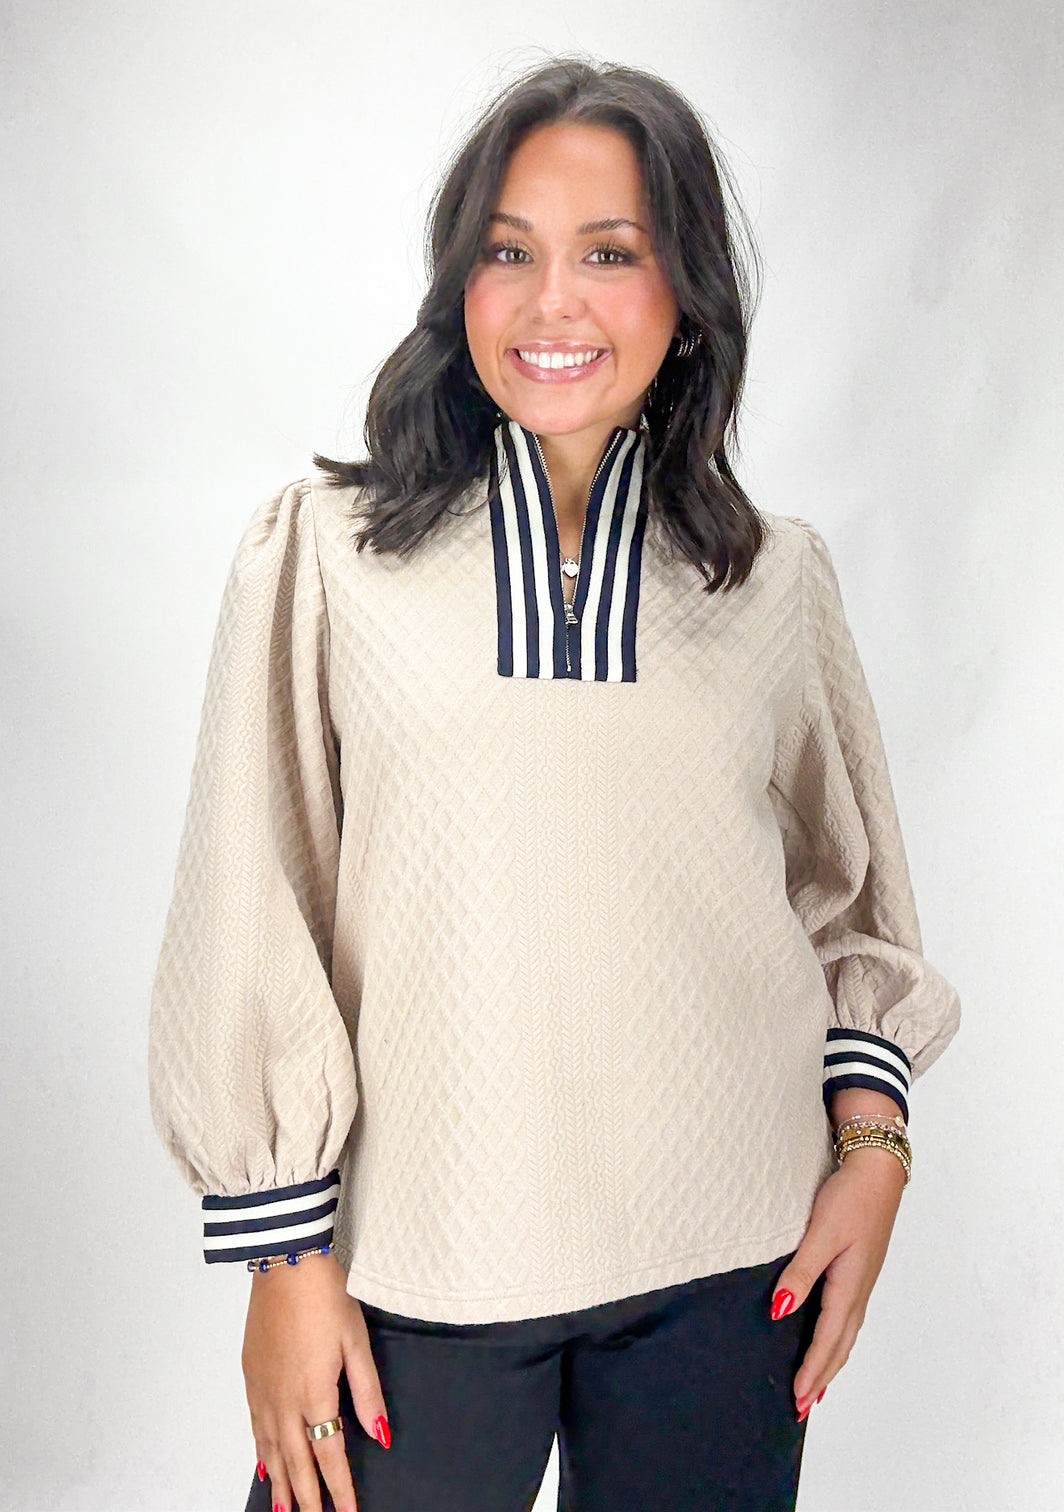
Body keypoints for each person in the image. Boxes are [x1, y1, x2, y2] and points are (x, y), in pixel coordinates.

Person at [147, 55, 961, 1512]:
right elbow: (250, 896)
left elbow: (853, 909)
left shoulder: (773, 580)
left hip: (732, 1267)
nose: (551, 304)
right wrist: (284, 1260)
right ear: (458, 281)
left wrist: (874, 1151)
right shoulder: (329, 555)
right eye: (507, 253)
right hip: (420, 1266)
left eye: (609, 253)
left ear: (687, 290)